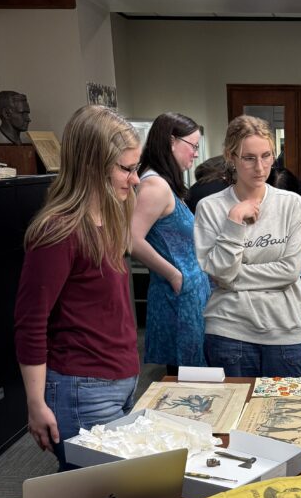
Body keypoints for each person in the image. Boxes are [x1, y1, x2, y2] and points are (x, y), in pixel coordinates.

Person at [14, 105, 141, 470]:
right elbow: (30, 322)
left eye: (136, 168)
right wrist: (36, 403)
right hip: (82, 388)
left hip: (120, 380)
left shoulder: (111, 215)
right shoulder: (59, 230)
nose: (134, 180)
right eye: (125, 169)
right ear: (91, 165)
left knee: (117, 497)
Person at [195, 115, 301, 377]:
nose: (260, 167)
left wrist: (233, 279)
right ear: (231, 156)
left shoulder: (291, 204)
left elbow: (289, 271)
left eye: (267, 156)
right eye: (249, 158)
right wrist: (234, 221)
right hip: (228, 331)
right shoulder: (210, 208)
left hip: (284, 331)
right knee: (232, 417)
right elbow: (219, 273)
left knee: (288, 416)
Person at [132, 112, 212, 371]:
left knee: (192, 375)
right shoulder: (155, 186)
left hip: (185, 293)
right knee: (187, 380)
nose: (196, 154)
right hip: (178, 295)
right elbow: (131, 241)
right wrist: (174, 275)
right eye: (193, 146)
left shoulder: (163, 182)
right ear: (171, 142)